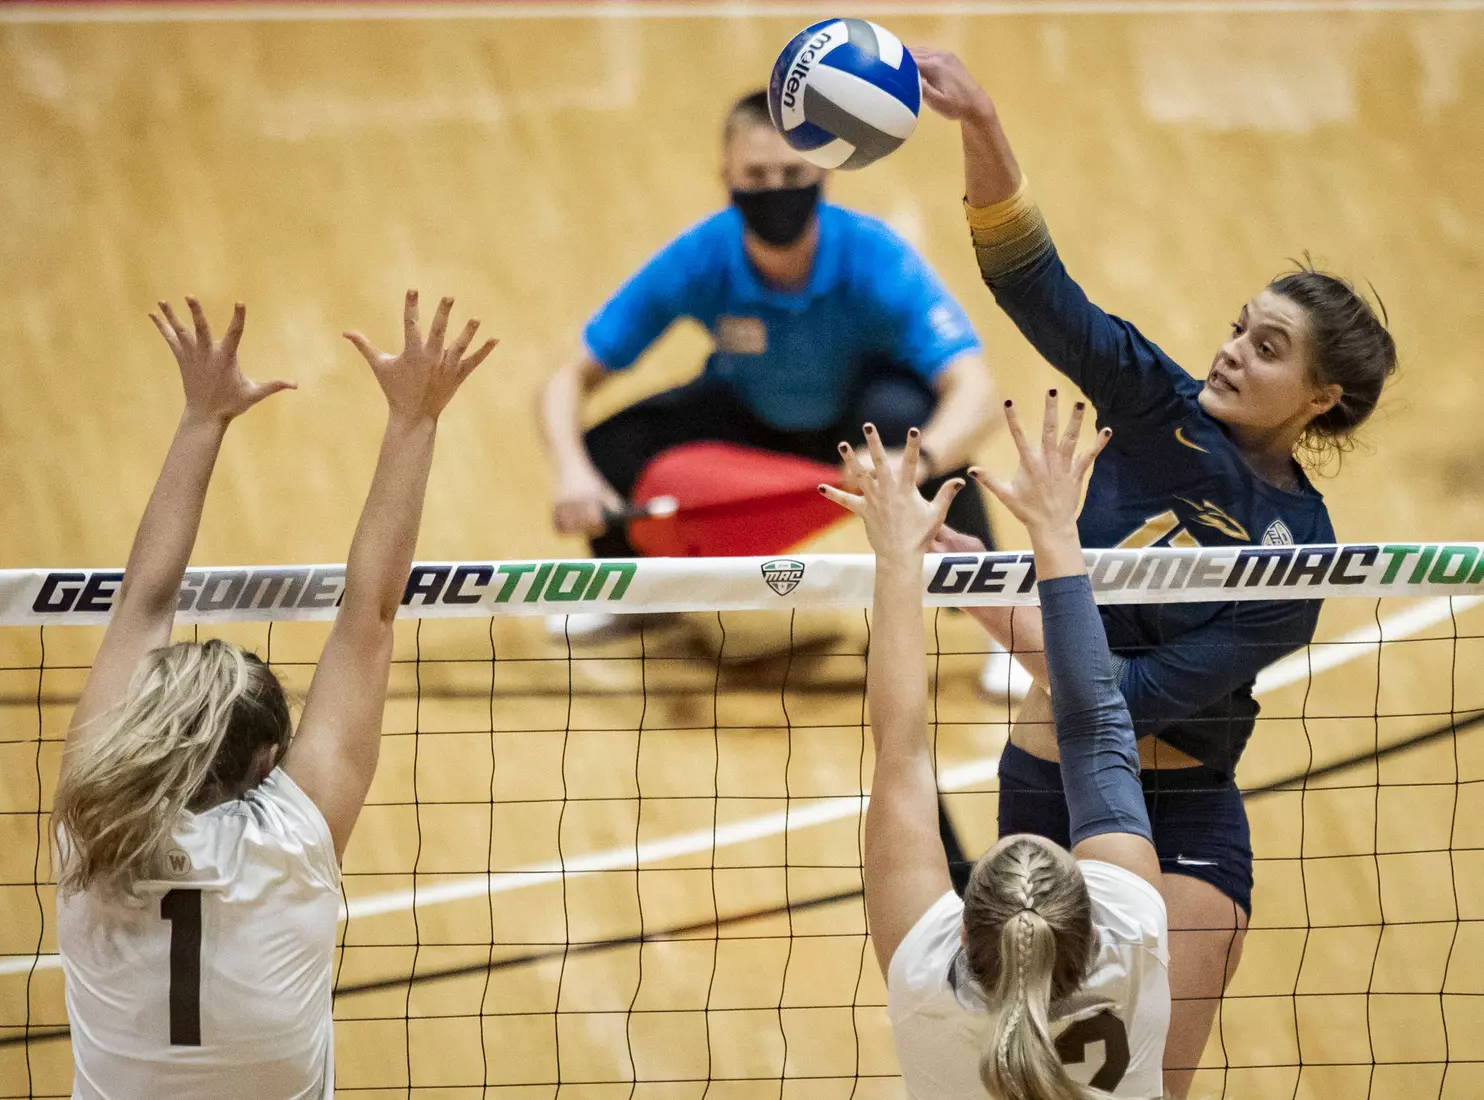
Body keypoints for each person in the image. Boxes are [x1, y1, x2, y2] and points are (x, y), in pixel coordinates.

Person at [913, 49, 1398, 1094]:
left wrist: (988, 594)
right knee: (1028, 1076)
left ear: (1317, 399)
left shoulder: (1292, 560)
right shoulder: (1152, 404)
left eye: (1266, 348)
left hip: (1182, 814)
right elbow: (1027, 281)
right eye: (1237, 327)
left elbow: (1121, 704)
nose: (1230, 352)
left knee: (1146, 1088)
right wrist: (982, 122)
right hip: (1040, 790)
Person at [52, 292, 496, 1098]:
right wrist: (414, 420)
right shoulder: (292, 836)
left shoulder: (94, 822)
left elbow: (142, 603)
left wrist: (201, 417)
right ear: (267, 760)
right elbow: (372, 613)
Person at [537, 90, 1021, 688]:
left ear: (823, 174)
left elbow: (976, 387)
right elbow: (568, 379)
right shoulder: (700, 257)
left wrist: (913, 462)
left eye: (792, 173)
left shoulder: (873, 258)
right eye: (756, 175)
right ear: (728, 178)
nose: (775, 189)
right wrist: (571, 472)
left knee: (910, 416)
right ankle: (635, 595)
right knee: (612, 446)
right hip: (749, 416)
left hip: (858, 434)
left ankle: (1004, 620)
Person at [820, 399, 1169, 1099]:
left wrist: (899, 559)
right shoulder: (1129, 933)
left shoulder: (932, 976)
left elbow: (901, 750)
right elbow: (1096, 716)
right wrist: (1053, 533)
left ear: (963, 937)